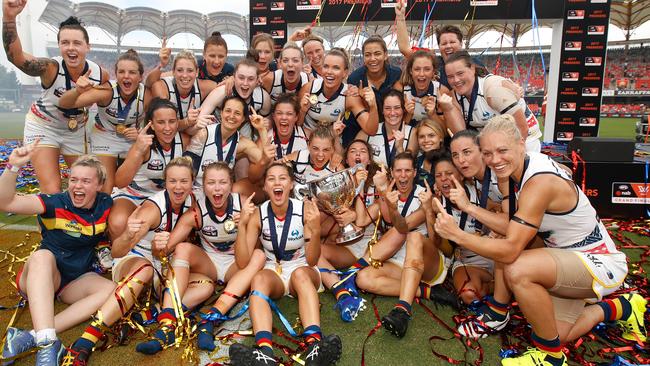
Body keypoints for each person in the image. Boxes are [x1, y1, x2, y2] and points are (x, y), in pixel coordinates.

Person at [433, 115, 644, 366]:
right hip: (566, 259)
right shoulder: (517, 170)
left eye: (502, 150)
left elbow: (511, 249)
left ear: (521, 144)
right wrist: (468, 207)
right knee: (557, 333)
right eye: (488, 153)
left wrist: (457, 235)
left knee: (516, 266)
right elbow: (510, 225)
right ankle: (624, 306)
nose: (494, 159)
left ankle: (550, 357)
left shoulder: (538, 181)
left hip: (596, 262)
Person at [62, 157, 205, 364]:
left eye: (184, 181)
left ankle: (146, 315)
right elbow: (117, 252)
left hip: (164, 265)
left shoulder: (194, 202)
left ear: (192, 182)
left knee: (204, 285)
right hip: (136, 260)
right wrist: (129, 235)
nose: (178, 186)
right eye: (173, 181)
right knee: (144, 270)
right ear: (165, 183)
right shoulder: (153, 209)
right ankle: (86, 340)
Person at [0, 146, 115, 366]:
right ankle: (47, 345)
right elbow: (5, 203)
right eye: (73, 180)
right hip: (42, 276)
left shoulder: (105, 204)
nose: (77, 186)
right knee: (42, 256)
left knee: (110, 290)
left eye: (85, 181)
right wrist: (13, 167)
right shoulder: (54, 202)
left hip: (73, 279)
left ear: (100, 185)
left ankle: (32, 336)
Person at [135, 162, 266, 354]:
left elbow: (244, 261)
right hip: (209, 264)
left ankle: (211, 318)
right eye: (211, 183)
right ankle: (167, 323)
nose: (217, 188)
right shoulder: (196, 212)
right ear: (203, 186)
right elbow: (165, 250)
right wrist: (157, 246)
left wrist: (244, 225)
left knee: (259, 256)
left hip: (237, 265)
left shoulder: (244, 206)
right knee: (182, 248)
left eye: (222, 182)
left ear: (231, 184)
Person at [227, 163, 342, 366]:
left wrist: (315, 231)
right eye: (271, 178)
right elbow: (243, 261)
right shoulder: (258, 214)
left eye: (282, 178)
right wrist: (243, 225)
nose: (277, 182)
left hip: (303, 267)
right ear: (265, 186)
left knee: (300, 274)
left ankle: (314, 345)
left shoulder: (304, 210)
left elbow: (313, 259)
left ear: (290, 184)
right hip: (276, 271)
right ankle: (265, 352)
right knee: (259, 278)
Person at [3, 4, 109, 193]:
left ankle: (79, 222)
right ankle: (50, 222)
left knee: (89, 185)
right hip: (44, 126)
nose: (70, 48)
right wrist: (9, 18)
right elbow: (16, 58)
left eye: (77, 43)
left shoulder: (100, 74)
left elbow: (107, 101)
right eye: (65, 42)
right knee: (51, 189)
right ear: (59, 45)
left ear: (88, 46)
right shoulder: (50, 68)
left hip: (76, 130)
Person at [59, 49, 150, 194]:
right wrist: (77, 90)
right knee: (105, 190)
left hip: (131, 138)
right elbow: (64, 103)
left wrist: (140, 133)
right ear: (116, 74)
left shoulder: (146, 94)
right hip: (105, 136)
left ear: (140, 76)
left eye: (132, 72)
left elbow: (159, 123)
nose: (126, 76)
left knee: (135, 185)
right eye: (121, 72)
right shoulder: (107, 91)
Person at [109, 98, 190, 240]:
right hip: (135, 194)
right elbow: (119, 182)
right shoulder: (144, 144)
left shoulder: (184, 140)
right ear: (151, 125)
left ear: (178, 123)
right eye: (160, 122)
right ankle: (121, 255)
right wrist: (138, 151)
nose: (167, 128)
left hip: (167, 196)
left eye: (172, 121)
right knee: (118, 223)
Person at [444, 51, 542, 152]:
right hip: (494, 144)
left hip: (525, 140)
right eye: (450, 77)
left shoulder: (492, 89)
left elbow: (522, 128)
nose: (455, 80)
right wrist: (448, 109)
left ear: (472, 68)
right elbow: (461, 134)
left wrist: (512, 156)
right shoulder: (455, 96)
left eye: (460, 73)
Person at [184, 95, 267, 186]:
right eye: (228, 111)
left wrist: (262, 129)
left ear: (243, 119)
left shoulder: (242, 143)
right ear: (221, 113)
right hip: (196, 187)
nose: (232, 116)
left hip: (221, 192)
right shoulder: (204, 133)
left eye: (237, 113)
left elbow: (263, 160)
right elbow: (186, 166)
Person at [298, 49, 379, 139]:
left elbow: (371, 130)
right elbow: (296, 124)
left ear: (345, 73)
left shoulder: (349, 95)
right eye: (326, 66)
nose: (329, 71)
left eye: (336, 68)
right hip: (307, 139)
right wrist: (302, 111)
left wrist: (373, 106)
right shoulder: (309, 88)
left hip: (332, 143)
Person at [344, 36, 402, 146]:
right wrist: (361, 99)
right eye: (368, 55)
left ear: (385, 55)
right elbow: (355, 109)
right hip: (361, 128)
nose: (372, 59)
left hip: (389, 126)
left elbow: (398, 104)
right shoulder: (355, 78)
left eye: (377, 53)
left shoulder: (396, 74)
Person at [199, 56, 272, 139]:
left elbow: (268, 125)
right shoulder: (221, 92)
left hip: (244, 134)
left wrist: (266, 125)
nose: (245, 83)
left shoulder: (263, 97)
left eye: (251, 79)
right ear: (234, 77)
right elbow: (199, 121)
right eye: (241, 78)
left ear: (257, 80)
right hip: (216, 134)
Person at [148, 47, 218, 129]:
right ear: (173, 72)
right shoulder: (163, 87)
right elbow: (167, 126)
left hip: (187, 133)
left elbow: (223, 89)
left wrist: (230, 79)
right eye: (180, 70)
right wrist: (187, 122)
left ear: (197, 72)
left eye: (190, 70)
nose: (185, 75)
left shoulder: (203, 87)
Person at [358, 90, 418, 167]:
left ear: (403, 110)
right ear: (382, 110)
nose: (392, 113)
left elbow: (408, 168)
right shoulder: (370, 131)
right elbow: (351, 156)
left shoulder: (412, 133)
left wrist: (400, 148)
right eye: (387, 108)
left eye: (397, 108)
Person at [414, 118, 446, 188]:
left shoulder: (448, 160)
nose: (426, 140)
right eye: (422, 136)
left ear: (440, 138)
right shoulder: (417, 162)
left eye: (431, 136)